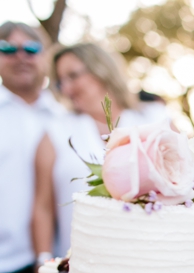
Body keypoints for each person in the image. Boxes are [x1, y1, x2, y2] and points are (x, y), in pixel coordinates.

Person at [31, 42, 169, 259]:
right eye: (60, 83)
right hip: (78, 263)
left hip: (151, 257)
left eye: (73, 76)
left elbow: (189, 181)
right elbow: (43, 207)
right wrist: (43, 261)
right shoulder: (56, 131)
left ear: (101, 69)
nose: (66, 89)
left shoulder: (156, 118)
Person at [0, 22, 63, 273]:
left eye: (31, 48)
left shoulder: (67, 116)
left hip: (57, 269)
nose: (20, 56)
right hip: (4, 264)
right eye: (8, 49)